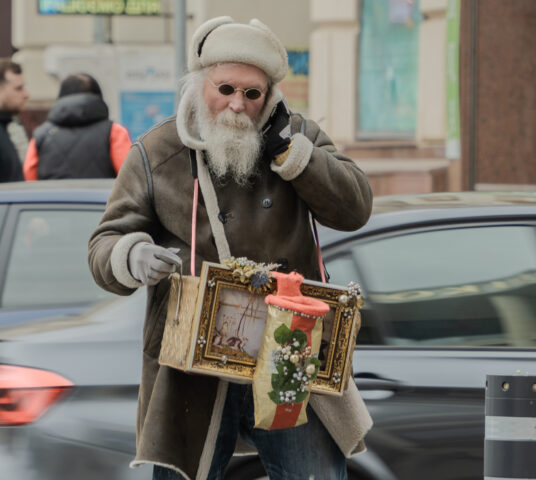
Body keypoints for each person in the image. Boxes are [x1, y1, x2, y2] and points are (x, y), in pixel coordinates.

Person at [88, 16, 373, 480]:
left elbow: (355, 208)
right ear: (200, 84)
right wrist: (133, 255)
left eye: (252, 94)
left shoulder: (299, 136)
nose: (237, 105)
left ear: (269, 96)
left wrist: (293, 153)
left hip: (289, 351)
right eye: (225, 89)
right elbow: (105, 242)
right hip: (192, 365)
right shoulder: (157, 151)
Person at [23, 73, 132, 180]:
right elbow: (129, 178)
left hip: (52, 198)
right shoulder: (114, 131)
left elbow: (29, 176)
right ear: (98, 97)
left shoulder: (41, 134)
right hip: (101, 198)